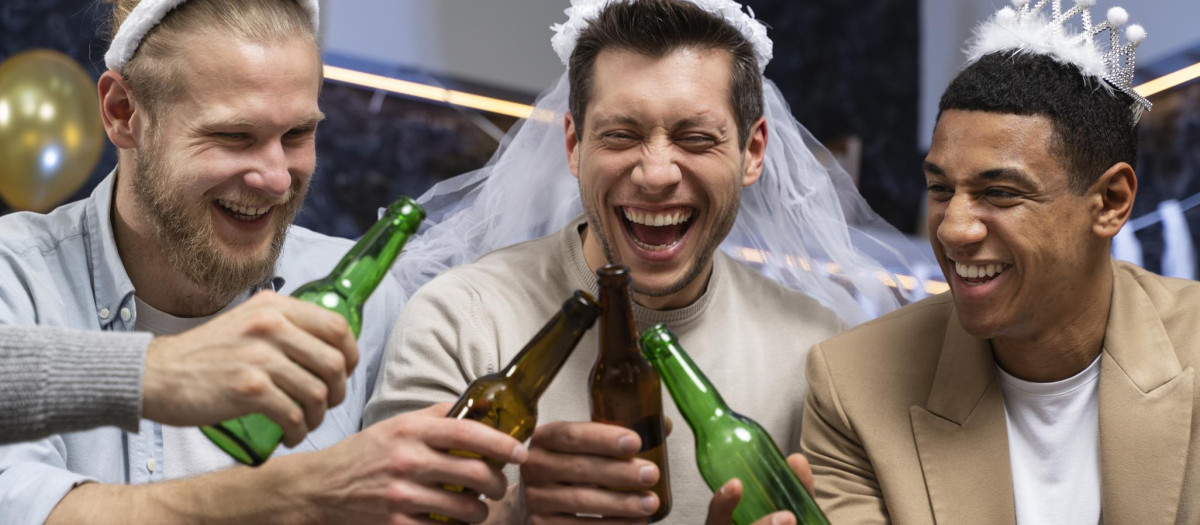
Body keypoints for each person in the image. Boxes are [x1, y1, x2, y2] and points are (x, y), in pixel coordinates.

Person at [365, 0, 926, 522]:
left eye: (696, 138)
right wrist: (518, 513)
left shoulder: (815, 351)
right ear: (573, 145)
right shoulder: (459, 321)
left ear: (753, 152)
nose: (656, 174)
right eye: (620, 135)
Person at [0, 1, 526, 523]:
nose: (276, 179)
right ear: (123, 112)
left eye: (297, 135)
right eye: (234, 136)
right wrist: (303, 491)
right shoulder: (17, 278)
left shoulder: (369, 302)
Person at [802, 1, 1200, 523]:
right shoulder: (853, 384)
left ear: (1110, 202)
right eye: (940, 189)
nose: (952, 229)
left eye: (1001, 193)